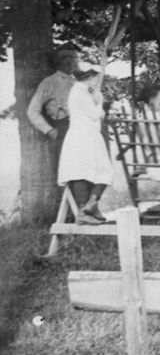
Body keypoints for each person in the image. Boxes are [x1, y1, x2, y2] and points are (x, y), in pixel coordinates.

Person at [57, 63, 113, 225]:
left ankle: (90, 207)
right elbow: (96, 115)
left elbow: (97, 114)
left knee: (88, 171)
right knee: (87, 171)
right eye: (94, 76)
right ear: (87, 77)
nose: (96, 80)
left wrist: (96, 102)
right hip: (85, 137)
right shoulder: (80, 93)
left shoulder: (82, 92)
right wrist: (100, 100)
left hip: (83, 136)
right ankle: (86, 209)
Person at [27, 46, 80, 171]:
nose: (69, 62)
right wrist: (49, 130)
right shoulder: (49, 82)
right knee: (66, 170)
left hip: (80, 127)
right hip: (63, 128)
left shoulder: (76, 82)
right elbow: (32, 110)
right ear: (58, 62)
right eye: (65, 59)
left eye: (72, 58)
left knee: (81, 168)